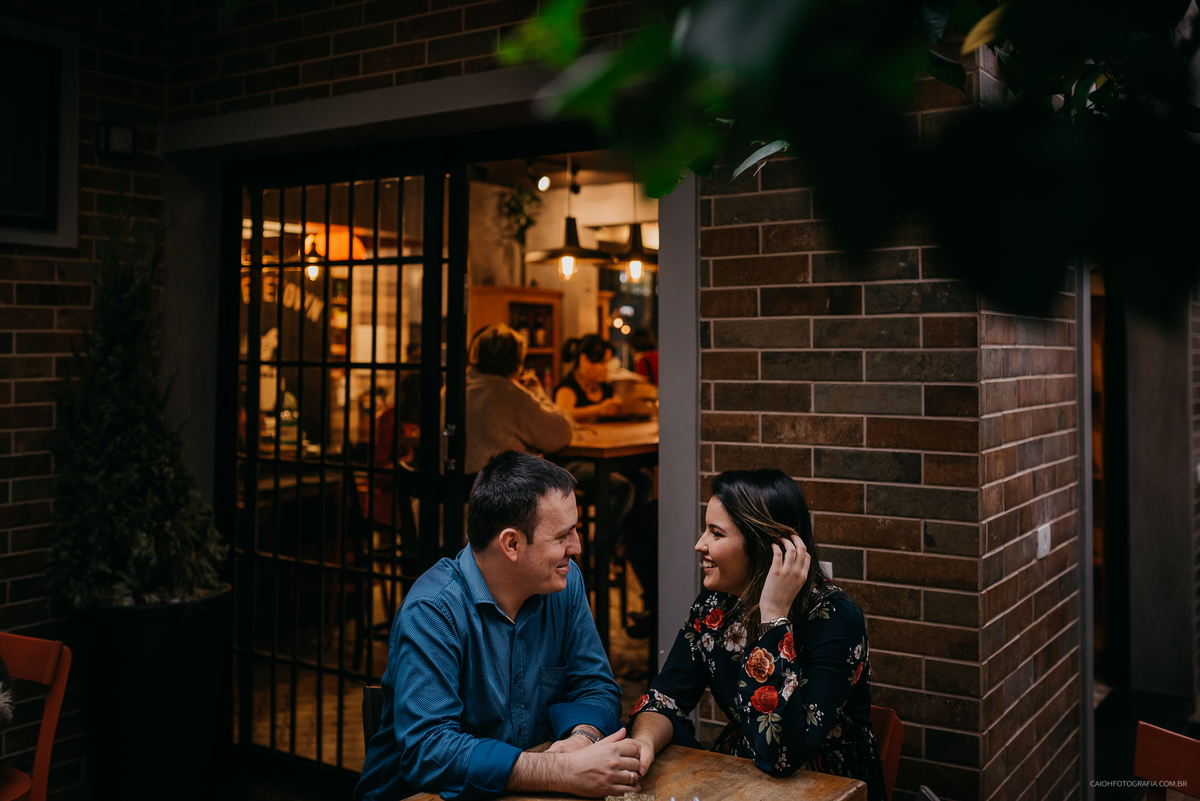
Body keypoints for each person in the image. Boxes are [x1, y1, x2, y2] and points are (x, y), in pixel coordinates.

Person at [355, 451, 642, 801]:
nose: (577, 547)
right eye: (562, 536)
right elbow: (429, 750)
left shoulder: (564, 585)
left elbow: (596, 685)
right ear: (512, 544)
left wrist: (582, 740)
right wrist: (558, 771)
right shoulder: (432, 611)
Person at [626, 469, 886, 801]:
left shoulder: (836, 619)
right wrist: (644, 744)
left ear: (767, 546)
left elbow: (783, 756)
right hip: (742, 774)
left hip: (826, 785)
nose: (699, 544)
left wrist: (773, 617)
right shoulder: (715, 607)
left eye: (716, 534)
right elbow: (665, 699)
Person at [465, 324, 574, 475]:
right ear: (516, 362)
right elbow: (561, 433)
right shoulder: (511, 394)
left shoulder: (452, 389)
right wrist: (537, 391)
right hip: (504, 491)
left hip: (457, 490)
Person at [555, 335, 623, 422]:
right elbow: (561, 414)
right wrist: (598, 410)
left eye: (607, 362)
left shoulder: (606, 388)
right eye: (602, 362)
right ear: (583, 360)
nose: (606, 368)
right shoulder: (568, 387)